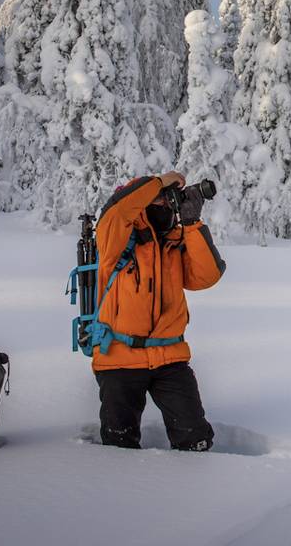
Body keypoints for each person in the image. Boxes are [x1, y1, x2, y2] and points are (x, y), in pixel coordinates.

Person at [91, 172, 226, 450]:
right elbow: (119, 207)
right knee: (119, 447)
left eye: (169, 200)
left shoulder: (174, 241)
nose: (166, 204)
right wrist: (161, 182)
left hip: (169, 358)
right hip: (119, 358)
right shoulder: (115, 237)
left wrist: (191, 223)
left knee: (195, 440)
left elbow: (207, 277)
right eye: (161, 198)